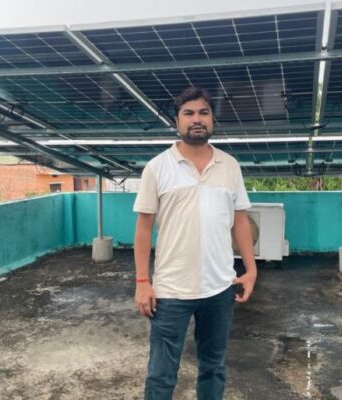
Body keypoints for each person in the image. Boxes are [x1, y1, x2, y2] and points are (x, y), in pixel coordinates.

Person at [133, 86, 257, 400]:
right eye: (188, 113)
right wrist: (142, 282)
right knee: (161, 376)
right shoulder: (158, 167)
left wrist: (251, 270)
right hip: (170, 292)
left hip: (220, 288)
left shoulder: (229, 165)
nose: (196, 119)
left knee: (213, 368)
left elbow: (241, 221)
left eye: (204, 112)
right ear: (177, 121)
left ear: (212, 119)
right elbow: (144, 228)